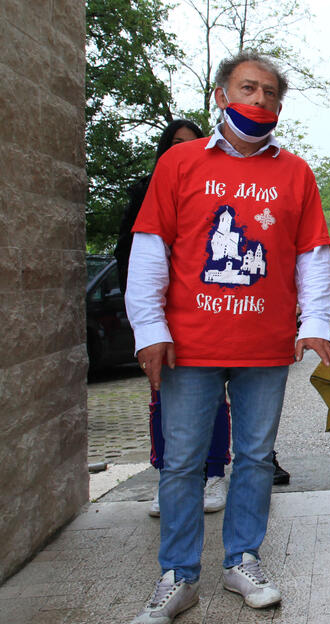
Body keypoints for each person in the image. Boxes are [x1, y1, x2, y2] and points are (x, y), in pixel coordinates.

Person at [124, 51, 330, 624]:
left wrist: (314, 322)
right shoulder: (180, 163)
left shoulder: (295, 173)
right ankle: (178, 575)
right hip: (188, 346)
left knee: (253, 458)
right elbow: (149, 248)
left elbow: (313, 254)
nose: (260, 102)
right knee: (183, 460)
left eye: (271, 94)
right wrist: (149, 329)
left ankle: (243, 559)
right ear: (222, 95)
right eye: (249, 89)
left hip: (265, 347)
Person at [113, 120, 233, 516]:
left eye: (189, 143)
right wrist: (146, 320)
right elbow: (131, 258)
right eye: (174, 143)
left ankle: (214, 472)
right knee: (163, 400)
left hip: (210, 315)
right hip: (165, 320)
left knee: (215, 400)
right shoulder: (143, 194)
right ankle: (168, 476)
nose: (180, 150)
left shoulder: (215, 190)